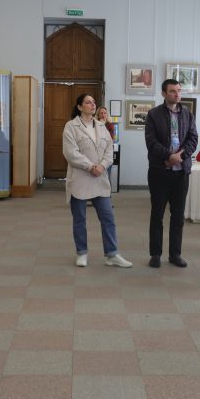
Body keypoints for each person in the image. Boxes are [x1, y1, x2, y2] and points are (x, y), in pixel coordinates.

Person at [62, 93, 133, 269]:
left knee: (108, 217)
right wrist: (90, 166)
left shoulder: (101, 126)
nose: (92, 105)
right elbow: (70, 153)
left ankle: (112, 254)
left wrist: (101, 166)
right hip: (80, 179)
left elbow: (109, 149)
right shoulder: (71, 126)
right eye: (88, 102)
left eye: (93, 102)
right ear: (80, 107)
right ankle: (81, 253)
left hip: (99, 179)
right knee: (79, 219)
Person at [144, 78, 198, 268]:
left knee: (178, 216)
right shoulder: (153, 114)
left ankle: (175, 254)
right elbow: (151, 142)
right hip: (160, 172)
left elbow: (193, 139)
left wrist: (180, 156)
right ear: (164, 93)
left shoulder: (187, 114)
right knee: (157, 214)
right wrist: (168, 156)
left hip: (181, 173)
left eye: (179, 91)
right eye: (173, 91)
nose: (177, 94)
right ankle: (155, 254)